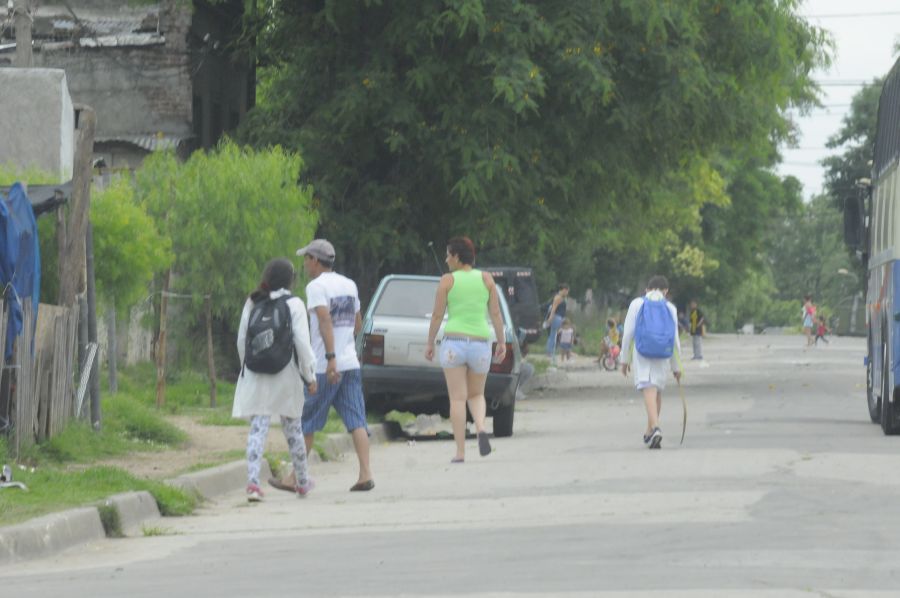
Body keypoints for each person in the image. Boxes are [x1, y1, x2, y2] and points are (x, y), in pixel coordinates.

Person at [233, 258, 318, 502]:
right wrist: (310, 375)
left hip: (257, 374)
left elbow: (242, 340)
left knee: (258, 428)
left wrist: (246, 369)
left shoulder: (253, 301)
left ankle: (252, 483)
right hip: (285, 375)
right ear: (291, 280)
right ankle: (302, 482)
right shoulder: (295, 304)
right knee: (293, 429)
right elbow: (302, 343)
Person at [298, 239, 374, 492]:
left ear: (316, 261)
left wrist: (331, 357)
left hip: (325, 366)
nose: (305, 264)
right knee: (357, 420)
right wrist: (343, 349)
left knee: (307, 421)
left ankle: (295, 476)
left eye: (307, 259)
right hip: (350, 362)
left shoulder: (316, 287)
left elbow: (324, 321)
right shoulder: (349, 284)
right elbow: (357, 323)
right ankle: (365, 474)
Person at [425, 236, 506, 463]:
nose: (446, 258)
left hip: (454, 343)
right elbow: (496, 314)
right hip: (480, 343)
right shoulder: (487, 279)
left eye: (449, 254)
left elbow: (438, 315)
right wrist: (501, 342)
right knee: (477, 394)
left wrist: (430, 342)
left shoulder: (447, 281)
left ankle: (460, 452)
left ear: (457, 257)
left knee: (457, 399)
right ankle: (480, 427)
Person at [620, 275, 682, 449]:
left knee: (648, 388)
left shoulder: (636, 304)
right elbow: (674, 340)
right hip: (663, 354)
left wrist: (624, 360)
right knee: (656, 390)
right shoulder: (670, 307)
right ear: (666, 291)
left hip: (642, 352)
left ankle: (655, 428)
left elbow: (628, 334)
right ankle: (650, 431)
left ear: (647, 289)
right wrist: (677, 367)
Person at [544, 283, 569, 364]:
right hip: (556, 317)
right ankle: (550, 352)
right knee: (553, 335)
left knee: (554, 335)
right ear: (564, 290)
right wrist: (550, 318)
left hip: (559, 317)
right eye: (567, 291)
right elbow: (553, 308)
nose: (567, 293)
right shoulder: (558, 297)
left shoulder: (561, 298)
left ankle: (550, 351)